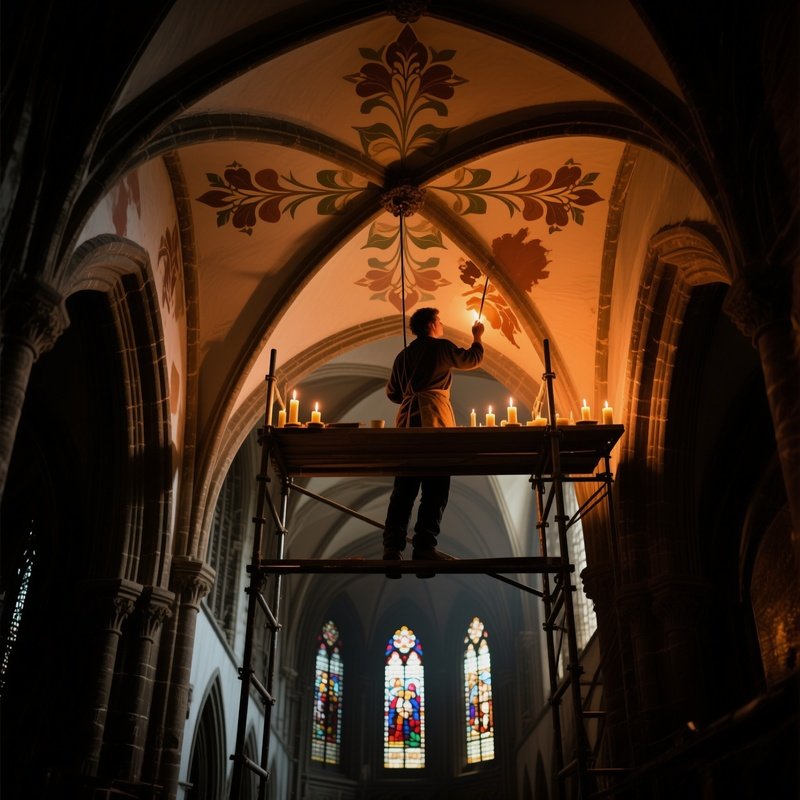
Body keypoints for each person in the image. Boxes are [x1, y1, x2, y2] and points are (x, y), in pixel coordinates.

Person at [382, 307, 484, 572]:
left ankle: (392, 549)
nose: (442, 324)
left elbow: (393, 393)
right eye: (440, 320)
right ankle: (424, 548)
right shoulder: (440, 347)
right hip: (432, 419)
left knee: (403, 489)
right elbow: (472, 359)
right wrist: (478, 335)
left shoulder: (402, 355)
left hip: (405, 423)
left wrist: (411, 392)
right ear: (431, 324)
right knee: (435, 487)